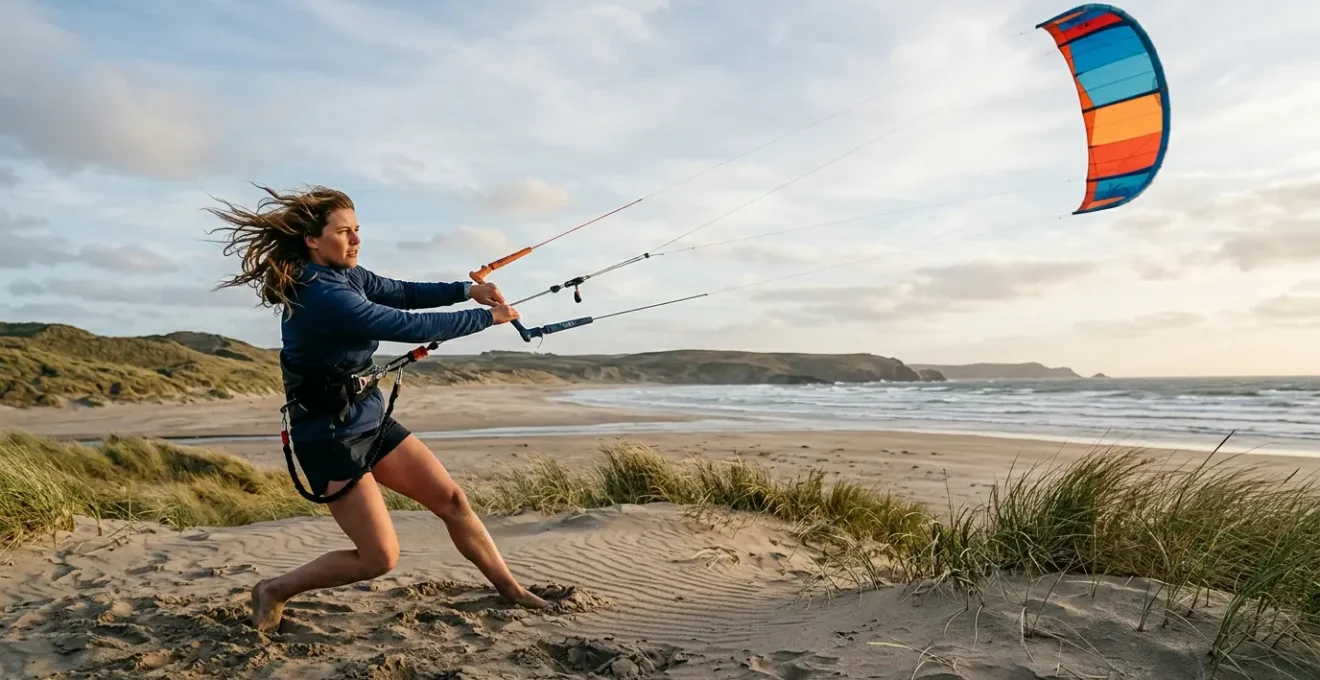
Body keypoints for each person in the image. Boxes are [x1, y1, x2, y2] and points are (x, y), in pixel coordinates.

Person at [207, 184, 549, 633]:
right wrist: (488, 318)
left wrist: (467, 291)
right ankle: (273, 589)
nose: (355, 240)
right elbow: (404, 324)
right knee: (379, 558)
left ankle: (512, 590)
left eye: (357, 230)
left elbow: (401, 292)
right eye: (344, 232)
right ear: (312, 239)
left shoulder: (348, 276)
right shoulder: (321, 295)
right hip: (329, 435)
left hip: (368, 415)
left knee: (451, 500)